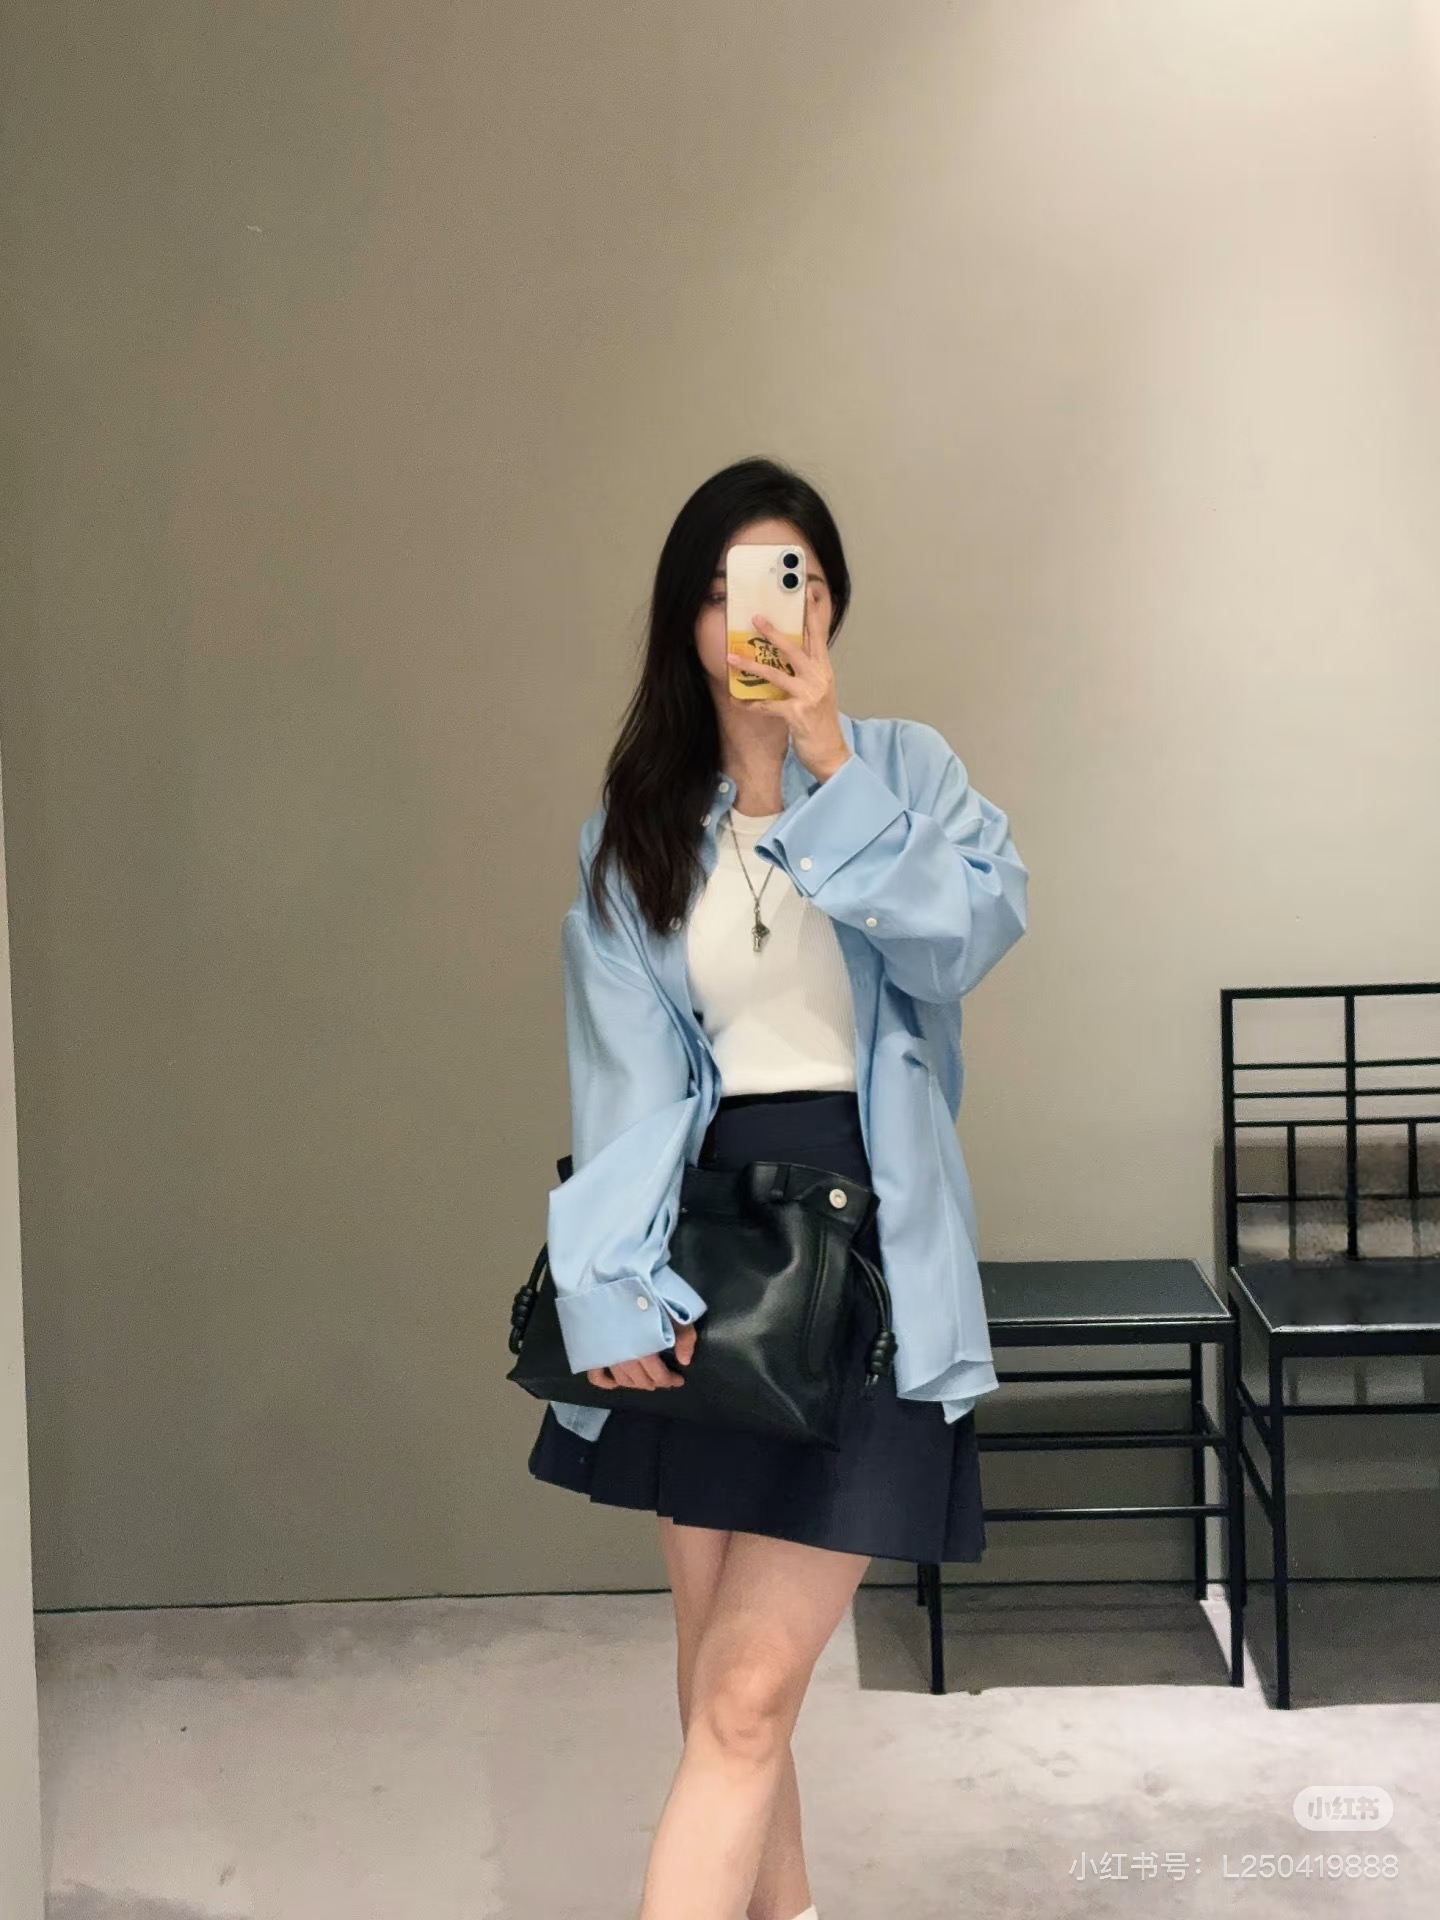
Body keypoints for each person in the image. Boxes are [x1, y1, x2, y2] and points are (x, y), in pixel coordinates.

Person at [527, 455, 1029, 1920]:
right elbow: (622, 1086)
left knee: (745, 1693)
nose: (754, 615)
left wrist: (829, 767)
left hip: (869, 1256)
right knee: (720, 1691)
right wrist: (614, 1287)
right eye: (722, 589)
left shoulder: (906, 772)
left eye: (785, 581)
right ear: (686, 621)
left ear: (829, 604)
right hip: (706, 1262)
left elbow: (964, 941)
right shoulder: (635, 827)